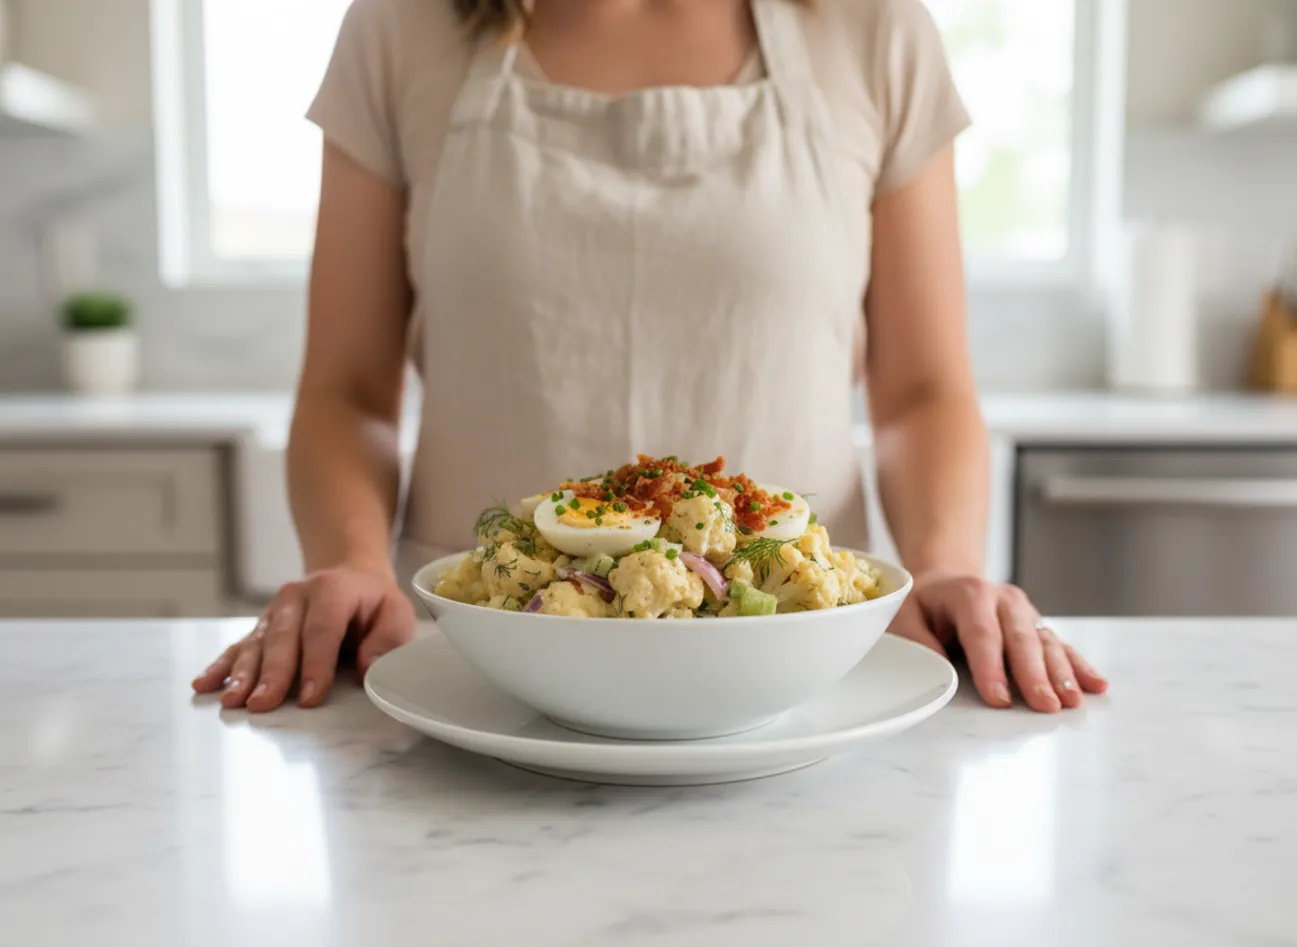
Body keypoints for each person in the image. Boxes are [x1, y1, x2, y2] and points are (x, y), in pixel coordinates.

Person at [193, 0, 1107, 715]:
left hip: (802, 667)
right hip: (475, 665)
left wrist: (942, 562)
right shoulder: (397, 29)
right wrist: (350, 560)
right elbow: (349, 391)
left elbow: (921, 391)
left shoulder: (876, 31)